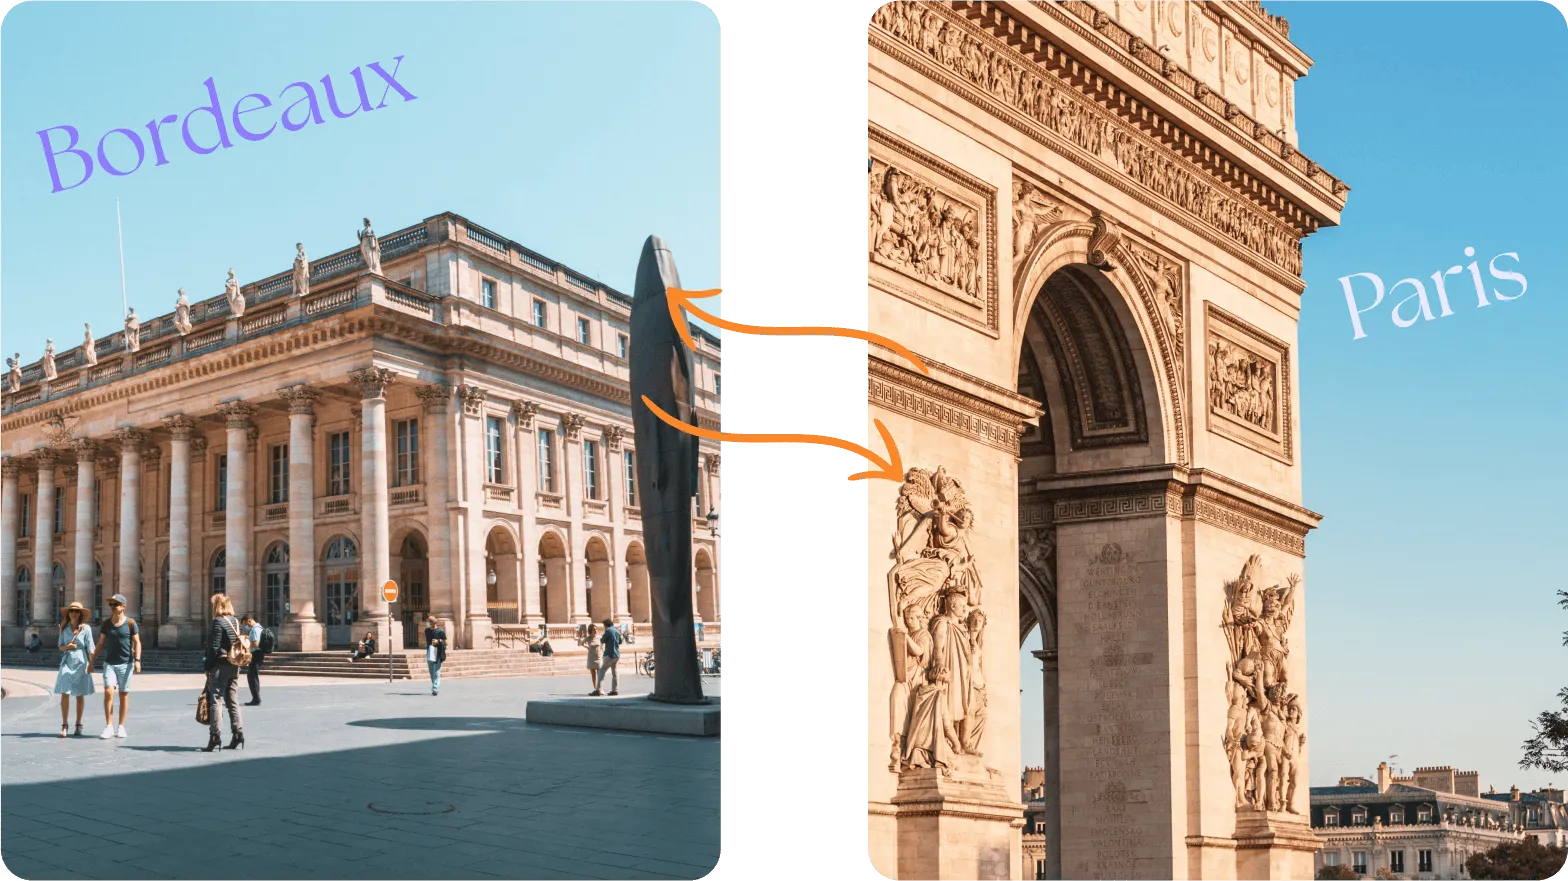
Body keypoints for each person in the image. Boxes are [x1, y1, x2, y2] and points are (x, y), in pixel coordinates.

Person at [87, 593, 140, 739]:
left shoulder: (130, 623)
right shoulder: (106, 624)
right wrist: (91, 662)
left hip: (126, 663)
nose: (112, 607)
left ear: (123, 606)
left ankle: (121, 726)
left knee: (123, 694)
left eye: (115, 604)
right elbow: (100, 643)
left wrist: (137, 660)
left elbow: (137, 642)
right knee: (108, 692)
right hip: (109, 663)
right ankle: (109, 726)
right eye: (110, 604)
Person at [203, 593, 245, 752]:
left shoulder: (218, 622)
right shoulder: (235, 621)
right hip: (235, 665)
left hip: (220, 665)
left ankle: (215, 736)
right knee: (232, 699)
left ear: (217, 606)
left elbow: (213, 647)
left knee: (216, 699)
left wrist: (207, 666)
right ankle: (238, 734)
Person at [53, 602, 95, 737]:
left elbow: (91, 647)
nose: (74, 613)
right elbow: (60, 646)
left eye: (77, 611)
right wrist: (67, 647)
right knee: (64, 692)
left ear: (80, 614)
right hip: (67, 660)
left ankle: (78, 724)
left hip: (81, 661)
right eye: (72, 611)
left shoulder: (86, 628)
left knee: (79, 693)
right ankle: (64, 724)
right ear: (68, 613)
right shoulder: (63, 628)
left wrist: (91, 663)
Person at [241, 614, 267, 706]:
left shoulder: (255, 629)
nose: (245, 626)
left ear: (249, 620)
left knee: (252, 677)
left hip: (256, 654)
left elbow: (256, 644)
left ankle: (256, 699)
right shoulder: (259, 628)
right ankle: (256, 697)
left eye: (245, 624)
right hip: (258, 654)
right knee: (253, 676)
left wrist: (245, 643)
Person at [594, 618, 622, 697]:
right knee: (615, 672)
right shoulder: (616, 631)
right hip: (616, 654)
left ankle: (599, 689)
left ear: (606, 625)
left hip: (609, 654)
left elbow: (602, 640)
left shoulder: (608, 631)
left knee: (601, 671)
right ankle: (615, 690)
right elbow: (620, 641)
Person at [424, 615, 446, 696]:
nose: (427, 623)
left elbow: (445, 642)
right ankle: (434, 685)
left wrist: (438, 641)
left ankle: (435, 688)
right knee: (431, 670)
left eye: (428, 621)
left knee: (436, 671)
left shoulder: (440, 631)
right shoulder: (427, 631)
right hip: (430, 650)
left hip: (438, 651)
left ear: (432, 622)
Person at [578, 624, 602, 695]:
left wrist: (602, 651)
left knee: (600, 674)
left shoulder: (599, 637)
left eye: (596, 629)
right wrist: (587, 647)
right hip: (591, 657)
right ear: (590, 631)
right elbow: (581, 643)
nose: (596, 631)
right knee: (593, 674)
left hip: (598, 657)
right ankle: (595, 688)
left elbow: (602, 645)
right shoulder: (588, 638)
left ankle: (600, 688)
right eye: (594, 629)